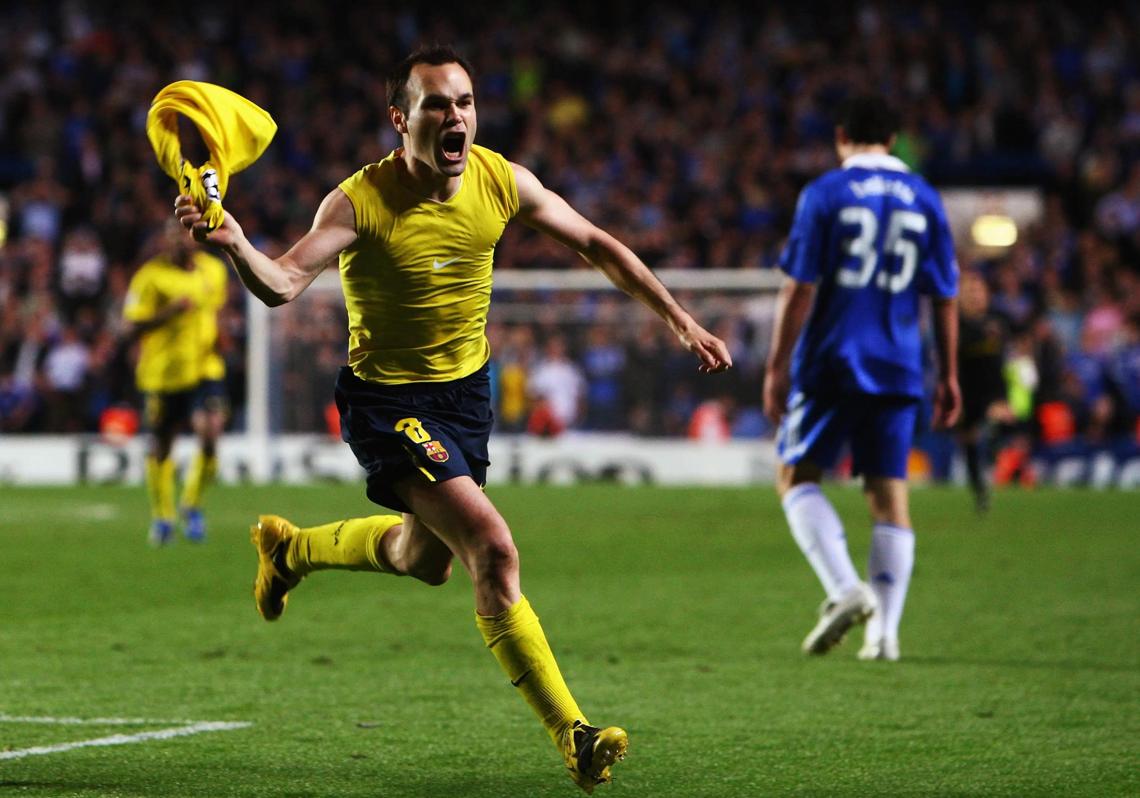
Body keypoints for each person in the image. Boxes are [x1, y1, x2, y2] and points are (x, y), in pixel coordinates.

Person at [175, 45, 731, 792]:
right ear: (400, 118)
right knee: (492, 550)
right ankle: (576, 734)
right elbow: (282, 283)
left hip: (466, 397)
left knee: (424, 559)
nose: (457, 116)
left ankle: (292, 550)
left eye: (465, 102)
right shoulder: (358, 200)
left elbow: (596, 242)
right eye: (438, 104)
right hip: (388, 403)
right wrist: (237, 242)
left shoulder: (501, 179)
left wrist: (679, 320)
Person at [762, 94, 960, 663]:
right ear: (893, 139)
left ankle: (846, 588)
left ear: (841, 135)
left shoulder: (825, 192)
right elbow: (945, 294)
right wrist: (947, 374)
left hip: (833, 358)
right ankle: (886, 636)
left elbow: (799, 287)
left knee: (795, 476)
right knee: (888, 493)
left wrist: (777, 366)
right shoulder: (925, 198)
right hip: (899, 364)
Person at [122, 220, 229, 545]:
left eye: (184, 236)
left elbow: (214, 312)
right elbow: (130, 326)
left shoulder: (214, 270)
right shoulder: (150, 277)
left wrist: (219, 337)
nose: (180, 243)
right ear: (164, 242)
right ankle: (163, 516)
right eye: (173, 238)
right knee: (162, 445)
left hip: (205, 369)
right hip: (163, 374)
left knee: (210, 432)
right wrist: (168, 312)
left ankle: (192, 505)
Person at [956, 269, 1013, 512]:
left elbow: (1006, 358)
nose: (975, 296)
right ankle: (979, 490)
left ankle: (992, 466)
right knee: (967, 442)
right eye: (969, 291)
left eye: (979, 291)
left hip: (993, 391)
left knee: (992, 426)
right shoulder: (956, 325)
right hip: (966, 391)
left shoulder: (997, 323)